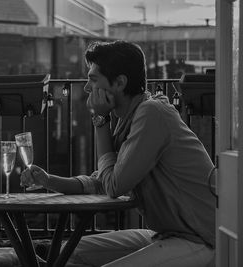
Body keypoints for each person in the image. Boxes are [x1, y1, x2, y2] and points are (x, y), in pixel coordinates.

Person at [20, 40, 215, 267]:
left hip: (202, 239)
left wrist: (100, 121)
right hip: (167, 235)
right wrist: (49, 180)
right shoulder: (129, 120)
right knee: (68, 253)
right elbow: (101, 181)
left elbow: (114, 186)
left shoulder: (152, 113)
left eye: (93, 79)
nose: (86, 88)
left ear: (120, 82)